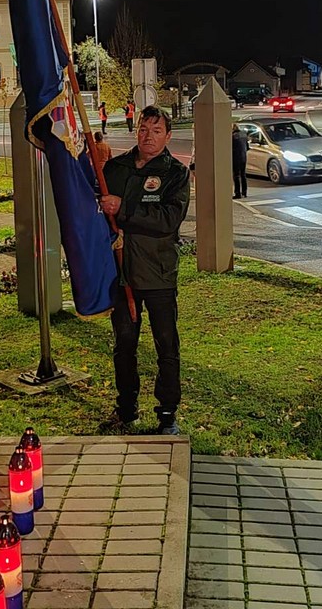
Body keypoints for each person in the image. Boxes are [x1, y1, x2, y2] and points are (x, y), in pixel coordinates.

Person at [99, 106, 190, 435]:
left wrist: (124, 208)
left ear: (167, 135)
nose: (147, 136)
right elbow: (93, 208)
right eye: (142, 129)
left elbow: (167, 220)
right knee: (124, 345)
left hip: (158, 274)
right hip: (122, 273)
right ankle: (126, 408)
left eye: (155, 130)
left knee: (166, 345)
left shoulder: (175, 174)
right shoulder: (115, 168)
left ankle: (167, 413)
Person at [231, 123, 249, 198]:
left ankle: (237, 193)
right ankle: (244, 192)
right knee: (243, 175)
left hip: (236, 157)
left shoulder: (232, 136)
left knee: (236, 176)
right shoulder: (244, 135)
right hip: (243, 157)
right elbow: (247, 147)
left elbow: (230, 147)